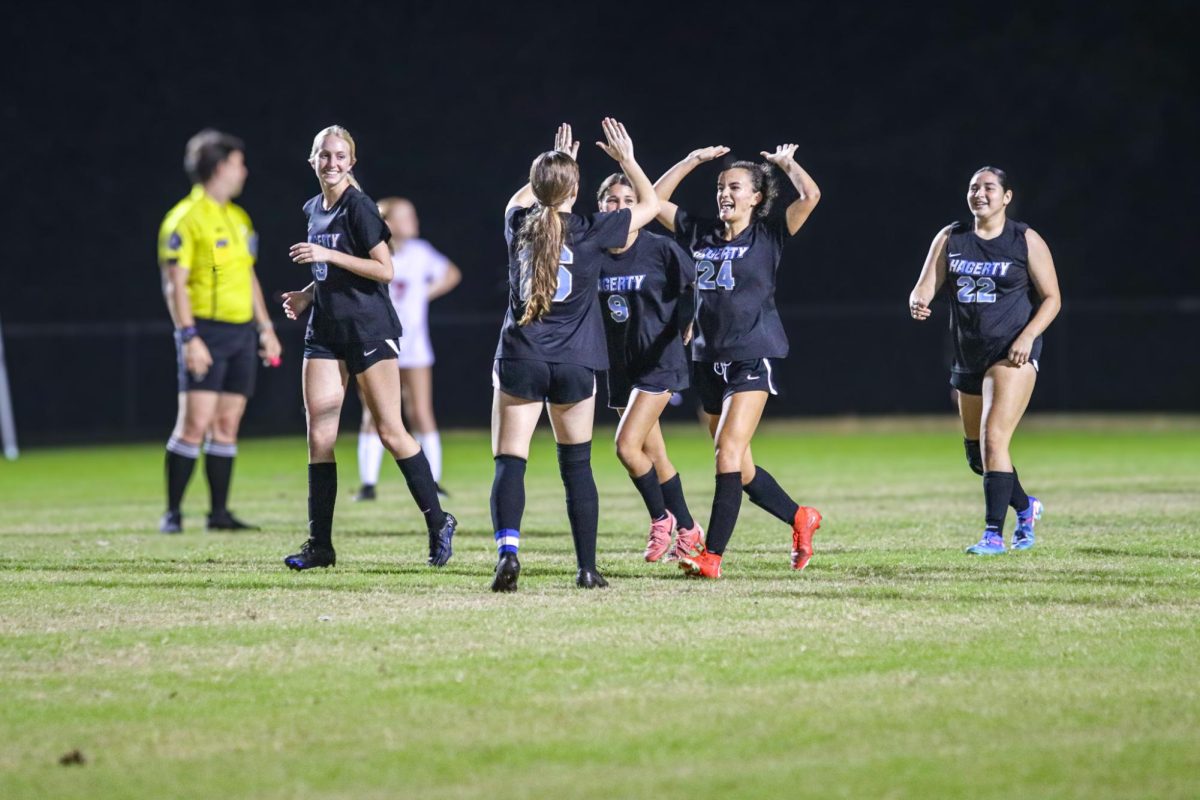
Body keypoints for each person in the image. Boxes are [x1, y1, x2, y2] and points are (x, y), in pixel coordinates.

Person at [489, 119, 659, 592]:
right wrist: (626, 159)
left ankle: (508, 552)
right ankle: (586, 568)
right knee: (577, 465)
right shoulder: (591, 229)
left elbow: (522, 199)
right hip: (575, 362)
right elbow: (650, 205)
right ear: (578, 189)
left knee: (510, 462)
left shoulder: (519, 223)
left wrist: (554, 166)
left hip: (522, 356)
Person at [278, 125, 457, 571]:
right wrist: (306, 294)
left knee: (390, 430)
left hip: (369, 329)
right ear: (312, 160)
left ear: (351, 162)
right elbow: (329, 276)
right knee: (319, 433)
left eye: (340, 156)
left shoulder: (359, 206)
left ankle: (438, 520)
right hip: (325, 331)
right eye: (324, 155)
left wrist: (328, 257)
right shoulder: (313, 209)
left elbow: (385, 269)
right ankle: (320, 545)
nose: (332, 162)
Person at [654, 144, 822, 579]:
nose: (724, 193)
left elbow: (810, 197)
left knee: (726, 452)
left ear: (756, 198)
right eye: (720, 187)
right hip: (707, 360)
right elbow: (652, 200)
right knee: (739, 466)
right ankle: (801, 517)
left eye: (734, 187)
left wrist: (786, 166)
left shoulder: (768, 235)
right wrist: (691, 161)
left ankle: (711, 556)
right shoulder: (701, 232)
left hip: (753, 356)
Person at [909, 166, 1061, 554]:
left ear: (1006, 197)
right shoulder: (951, 237)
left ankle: (994, 533)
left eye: (989, 188)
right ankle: (1026, 508)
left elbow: (1052, 298)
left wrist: (1028, 336)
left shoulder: (1024, 239)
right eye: (974, 188)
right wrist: (919, 301)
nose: (980, 194)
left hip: (1011, 354)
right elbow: (925, 285)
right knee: (979, 455)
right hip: (968, 356)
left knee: (995, 440)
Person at [157, 129, 282, 534]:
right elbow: (174, 283)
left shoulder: (238, 218)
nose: (244, 171)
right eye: (238, 163)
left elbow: (248, 277)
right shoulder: (184, 218)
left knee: (227, 424)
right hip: (204, 332)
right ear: (220, 166)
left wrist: (265, 328)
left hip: (241, 332)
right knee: (194, 423)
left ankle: (219, 514)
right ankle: (173, 513)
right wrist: (188, 337)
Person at [594, 172, 703, 562]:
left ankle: (662, 519)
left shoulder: (660, 249)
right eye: (611, 200)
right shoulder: (593, 251)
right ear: (600, 206)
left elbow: (695, 286)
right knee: (654, 456)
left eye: (628, 200)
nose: (619, 208)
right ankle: (689, 529)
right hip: (621, 366)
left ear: (639, 207)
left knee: (626, 447)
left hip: (661, 361)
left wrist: (690, 319)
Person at [354, 198, 461, 502]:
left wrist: (424, 294)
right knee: (372, 412)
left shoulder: (420, 252)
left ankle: (434, 480)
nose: (413, 221)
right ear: (387, 223)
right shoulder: (374, 252)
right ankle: (368, 484)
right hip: (377, 341)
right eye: (406, 217)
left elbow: (451, 273)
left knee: (420, 412)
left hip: (414, 344)